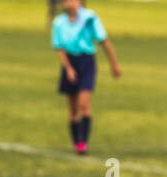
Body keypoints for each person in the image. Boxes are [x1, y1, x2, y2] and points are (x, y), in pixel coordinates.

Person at [51, 0, 120, 155]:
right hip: (69, 61)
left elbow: (104, 41)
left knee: (84, 104)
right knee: (72, 108)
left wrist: (114, 64)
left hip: (86, 61)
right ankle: (76, 142)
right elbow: (59, 47)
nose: (70, 3)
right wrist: (68, 68)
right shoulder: (59, 22)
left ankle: (83, 143)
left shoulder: (90, 18)